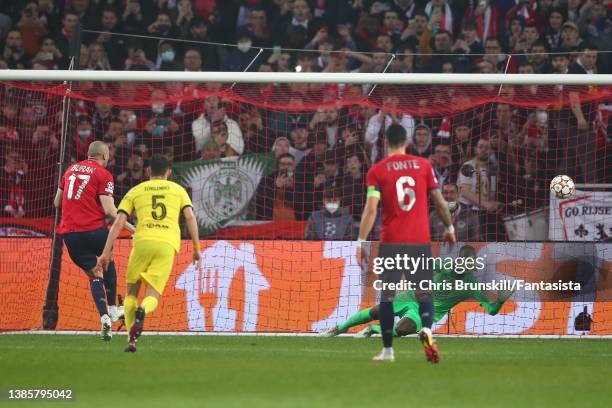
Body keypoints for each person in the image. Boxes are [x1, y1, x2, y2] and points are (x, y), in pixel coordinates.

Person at [356, 124, 456, 363]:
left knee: (387, 297)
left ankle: (388, 350)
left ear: (385, 142)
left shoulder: (377, 171)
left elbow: (371, 209)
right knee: (424, 293)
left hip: (391, 242)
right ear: (407, 141)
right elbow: (440, 202)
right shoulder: (423, 166)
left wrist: (361, 240)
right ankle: (428, 330)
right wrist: (449, 227)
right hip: (419, 241)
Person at [97, 154, 202, 352]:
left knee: (130, 293)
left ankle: (131, 340)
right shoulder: (178, 190)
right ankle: (143, 309)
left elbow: (118, 222)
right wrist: (196, 249)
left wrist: (105, 252)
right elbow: (190, 217)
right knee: (152, 294)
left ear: (148, 172)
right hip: (166, 244)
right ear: (169, 172)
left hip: (142, 242)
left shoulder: (136, 190)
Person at [321, 245, 513, 338]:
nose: (468, 265)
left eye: (471, 262)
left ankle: (373, 330)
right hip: (412, 296)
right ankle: (339, 328)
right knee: (377, 311)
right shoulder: (444, 264)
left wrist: (500, 301)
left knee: (401, 330)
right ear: (459, 259)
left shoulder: (472, 285)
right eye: (465, 260)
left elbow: (491, 310)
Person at [53, 141, 134, 340]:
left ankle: (104, 316)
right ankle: (114, 309)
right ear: (105, 156)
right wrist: (134, 229)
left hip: (70, 234)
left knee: (94, 274)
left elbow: (57, 203)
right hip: (94, 230)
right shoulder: (103, 174)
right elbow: (109, 211)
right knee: (109, 258)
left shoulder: (70, 170)